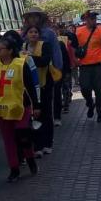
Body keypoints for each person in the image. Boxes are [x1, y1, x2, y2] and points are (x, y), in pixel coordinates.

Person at [0, 36, 40, 182]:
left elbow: (30, 86)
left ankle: (30, 159)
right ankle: (14, 169)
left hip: (21, 107)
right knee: (9, 140)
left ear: (10, 51)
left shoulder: (21, 64)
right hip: (1, 108)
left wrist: (36, 105)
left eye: (1, 49)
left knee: (23, 136)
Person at [22, 25, 57, 156]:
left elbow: (45, 61)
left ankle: (48, 143)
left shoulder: (45, 45)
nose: (33, 34)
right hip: (31, 86)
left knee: (46, 114)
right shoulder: (24, 47)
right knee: (35, 115)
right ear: (26, 34)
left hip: (44, 85)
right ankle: (38, 145)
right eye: (31, 32)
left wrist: (30, 57)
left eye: (36, 31)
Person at [74, 12, 101, 123]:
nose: (94, 21)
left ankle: (100, 113)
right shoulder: (78, 31)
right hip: (84, 66)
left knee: (99, 90)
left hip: (99, 66)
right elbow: (74, 47)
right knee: (84, 88)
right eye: (91, 19)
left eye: (95, 18)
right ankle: (90, 103)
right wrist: (75, 60)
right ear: (85, 20)